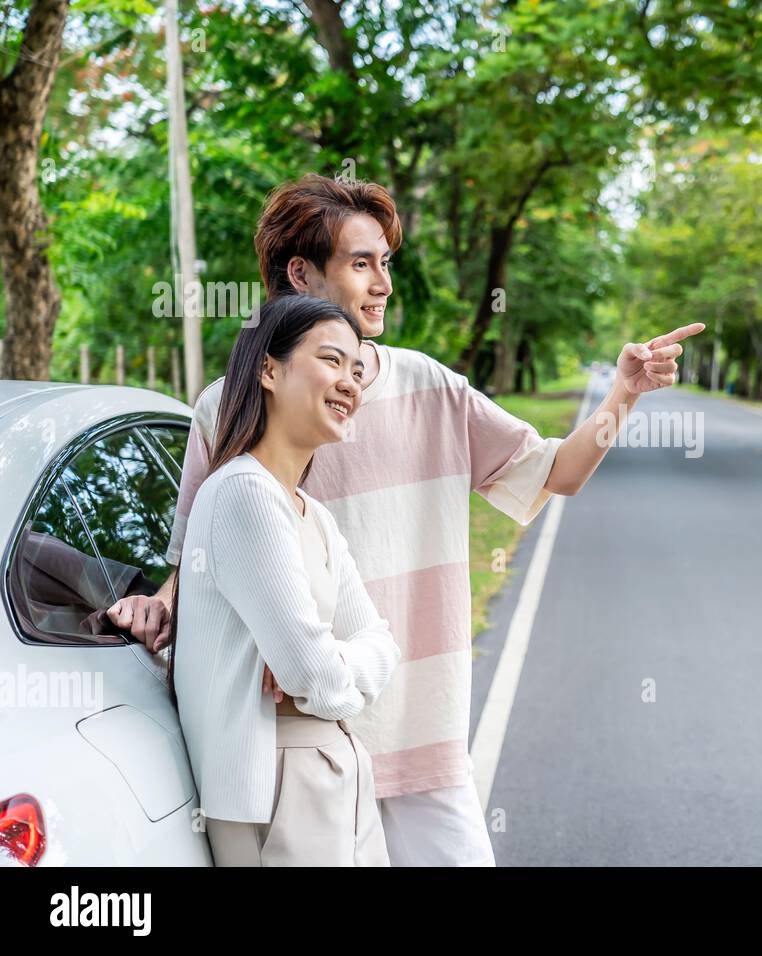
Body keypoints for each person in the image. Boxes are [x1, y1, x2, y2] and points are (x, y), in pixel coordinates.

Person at [110, 173, 702, 866]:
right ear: (300, 274)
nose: (383, 282)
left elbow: (555, 472)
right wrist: (158, 604)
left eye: (385, 263)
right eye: (361, 263)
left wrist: (624, 394)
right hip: (296, 752)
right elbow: (201, 558)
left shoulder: (433, 388)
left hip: (421, 735)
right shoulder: (230, 404)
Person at [171, 293, 400, 866]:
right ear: (268, 370)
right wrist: (326, 669)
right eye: (330, 360)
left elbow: (380, 644)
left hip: (337, 766)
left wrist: (331, 666)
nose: (350, 381)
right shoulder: (243, 493)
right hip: (276, 784)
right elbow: (311, 673)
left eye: (356, 368)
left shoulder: (311, 515)